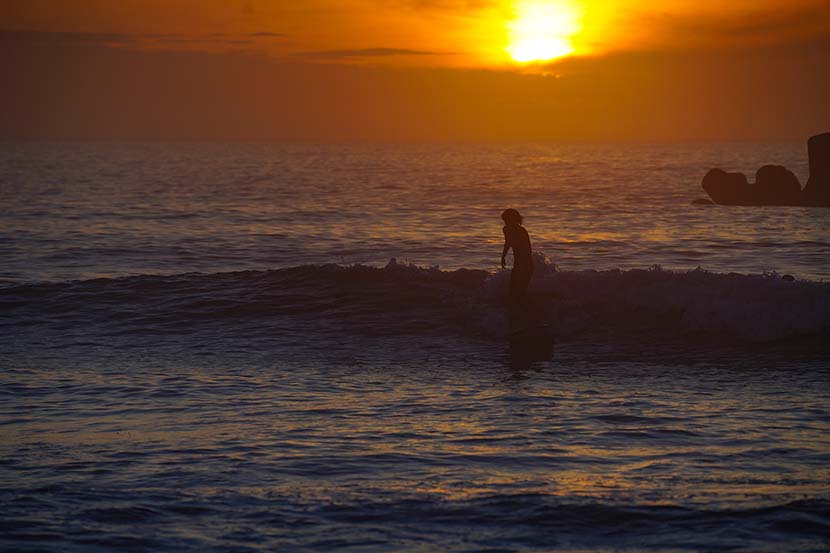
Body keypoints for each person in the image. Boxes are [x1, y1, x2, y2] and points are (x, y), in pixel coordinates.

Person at [500, 208, 534, 302]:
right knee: (513, 291)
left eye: (508, 220)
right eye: (505, 220)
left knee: (520, 292)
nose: (506, 222)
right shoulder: (506, 229)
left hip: (526, 264)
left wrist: (523, 265)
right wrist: (503, 256)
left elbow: (527, 250)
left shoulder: (521, 231)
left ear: (514, 219)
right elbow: (508, 243)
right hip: (518, 264)